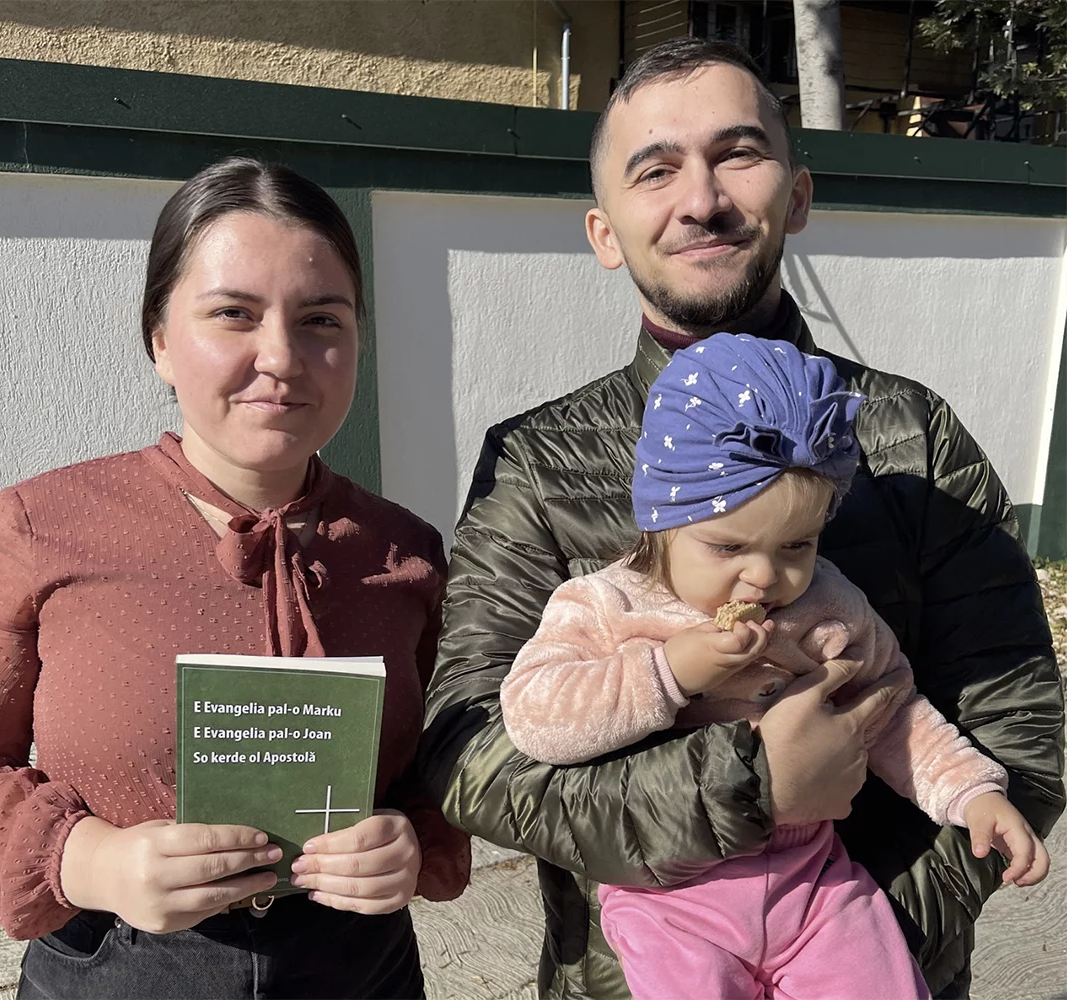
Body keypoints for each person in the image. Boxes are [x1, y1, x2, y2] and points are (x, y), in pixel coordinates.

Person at [419, 37, 1064, 1000]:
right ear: (604, 231)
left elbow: (1017, 732)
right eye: (656, 169)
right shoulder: (539, 462)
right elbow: (470, 756)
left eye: (739, 153)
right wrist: (747, 788)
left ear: (797, 194)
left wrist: (858, 940)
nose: (702, 197)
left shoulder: (907, 438)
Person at [0, 156, 470, 1000]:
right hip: (114, 968)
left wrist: (413, 839)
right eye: (233, 314)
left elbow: (452, 766)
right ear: (159, 340)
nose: (282, 357)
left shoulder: (406, 550)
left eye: (321, 319)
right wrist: (91, 861)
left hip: (360, 973)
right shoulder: (41, 527)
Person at [500, 334, 1050, 999]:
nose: (765, 574)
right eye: (727, 545)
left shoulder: (828, 601)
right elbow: (534, 715)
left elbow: (892, 706)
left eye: (798, 543)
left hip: (813, 882)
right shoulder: (607, 604)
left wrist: (972, 792)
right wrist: (670, 671)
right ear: (659, 522)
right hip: (671, 896)